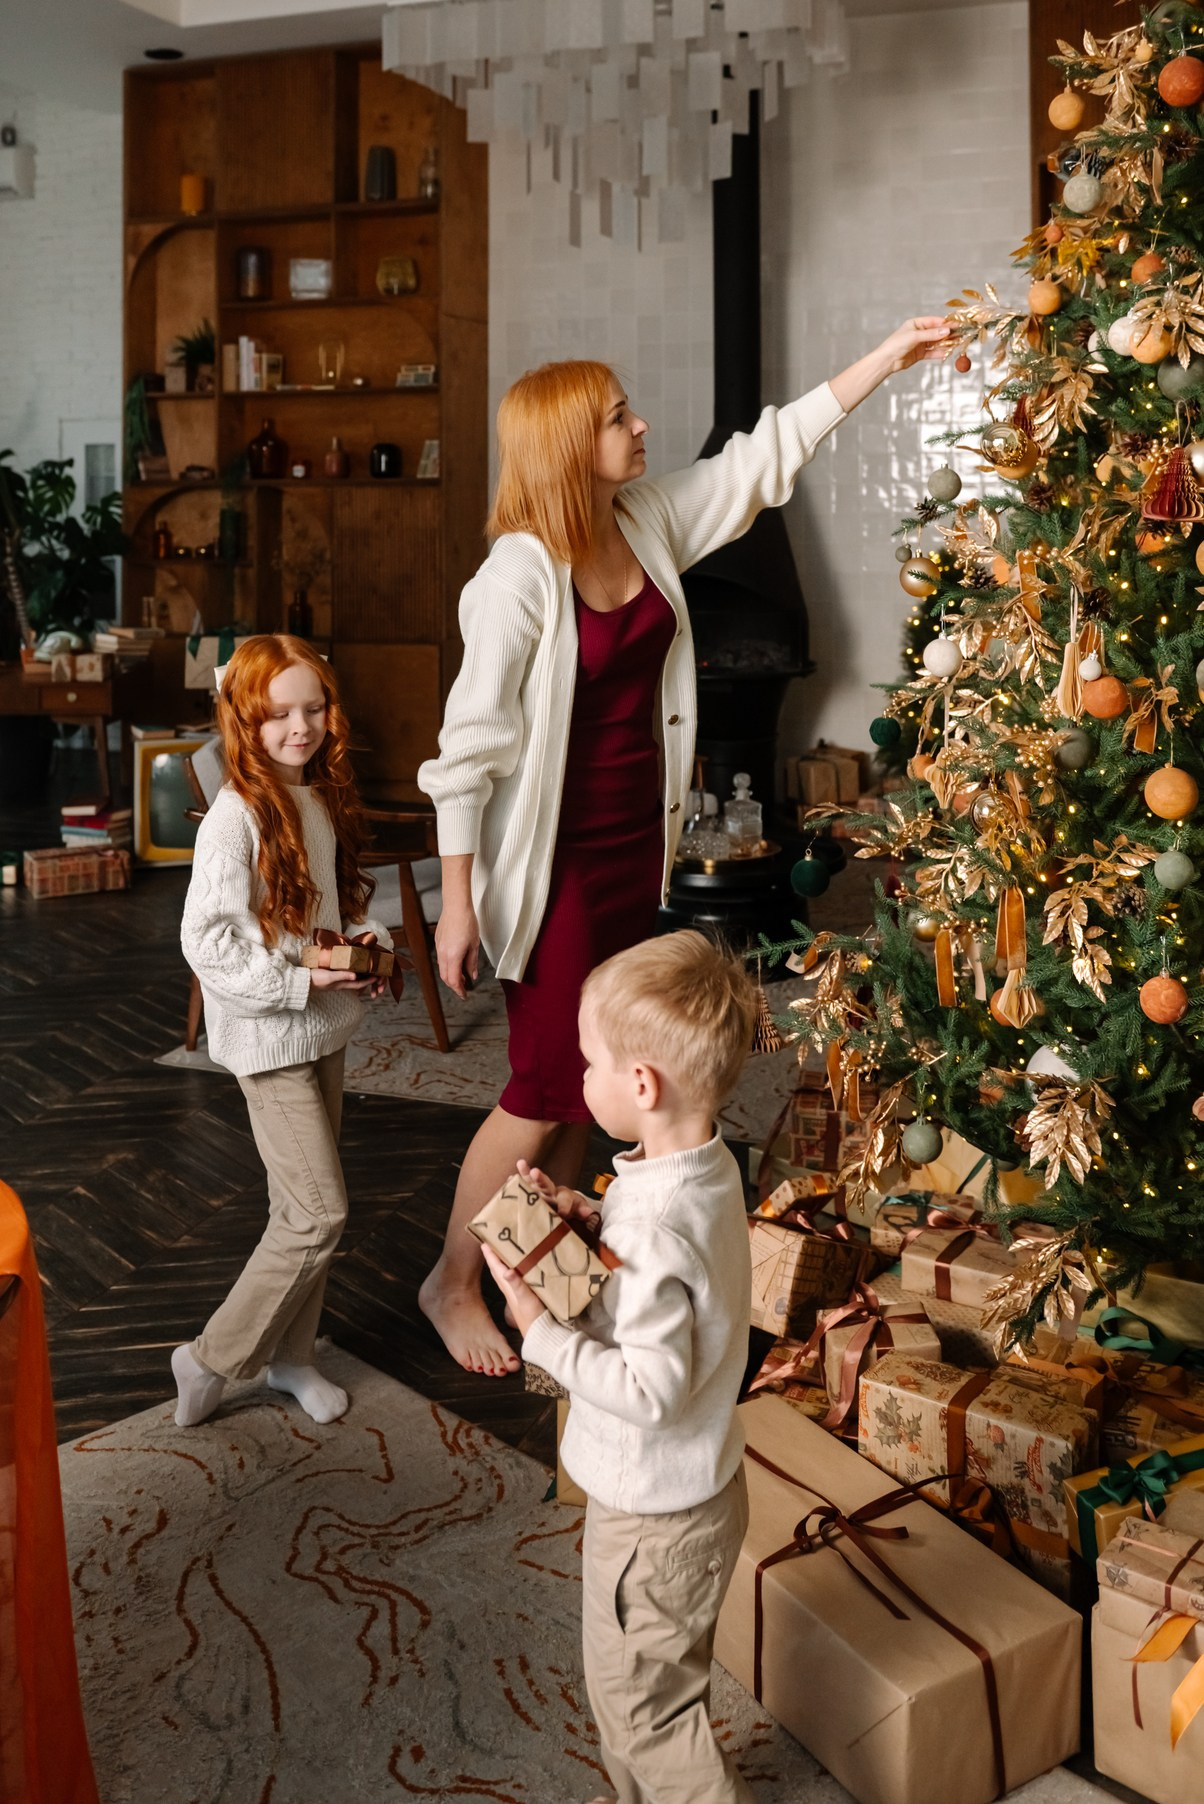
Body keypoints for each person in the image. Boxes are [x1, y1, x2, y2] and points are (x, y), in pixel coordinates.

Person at [418, 319, 950, 1378]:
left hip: (631, 852)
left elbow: (764, 458)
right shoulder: (516, 577)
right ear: (571, 443)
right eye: (618, 415)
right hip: (553, 864)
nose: (640, 423)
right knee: (536, 1087)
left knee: (591, 1076)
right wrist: (458, 898)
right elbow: (465, 754)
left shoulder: (646, 519)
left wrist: (886, 358)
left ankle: (556, 1285)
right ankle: (451, 1279)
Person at [482, 930, 759, 1804]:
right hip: (691, 1491)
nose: (583, 1076)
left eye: (590, 1061)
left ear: (642, 1086)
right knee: (640, 1683)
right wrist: (591, 1225)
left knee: (644, 1711)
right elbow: (673, 1279)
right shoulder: (701, 1167)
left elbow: (649, 1389)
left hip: (655, 1512)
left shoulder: (653, 1225)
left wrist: (537, 1324)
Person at [173, 634, 394, 1428]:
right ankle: (209, 1357)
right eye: (279, 716)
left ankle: (292, 1357)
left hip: (324, 1027)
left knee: (294, 1206)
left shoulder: (315, 794)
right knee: (318, 1213)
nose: (300, 728)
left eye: (314, 709)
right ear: (246, 720)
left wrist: (369, 943)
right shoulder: (232, 820)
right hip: (271, 1037)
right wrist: (298, 981)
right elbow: (207, 942)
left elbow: (334, 905)